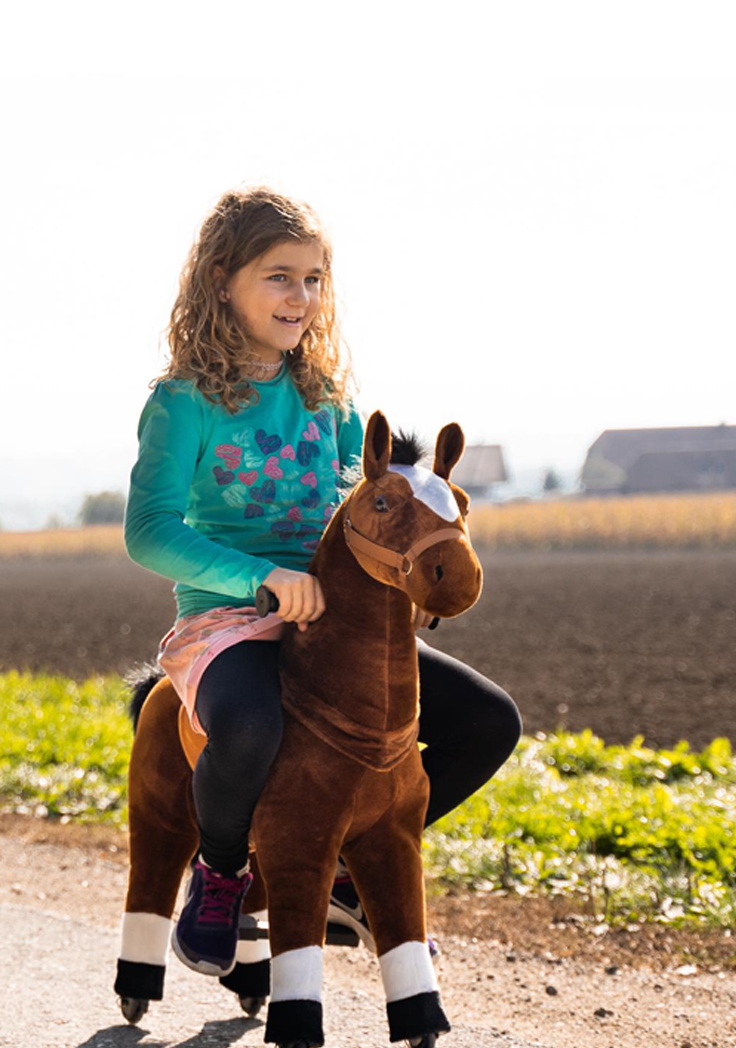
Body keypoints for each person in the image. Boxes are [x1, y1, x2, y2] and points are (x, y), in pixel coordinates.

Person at [124, 186, 521, 976]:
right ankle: (222, 875)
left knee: (487, 721)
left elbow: (364, 519)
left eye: (313, 278)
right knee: (249, 726)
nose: (300, 296)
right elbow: (150, 530)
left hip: (329, 630)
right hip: (230, 623)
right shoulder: (183, 403)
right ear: (219, 280)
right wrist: (263, 575)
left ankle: (344, 863)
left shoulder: (332, 401)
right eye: (279, 276)